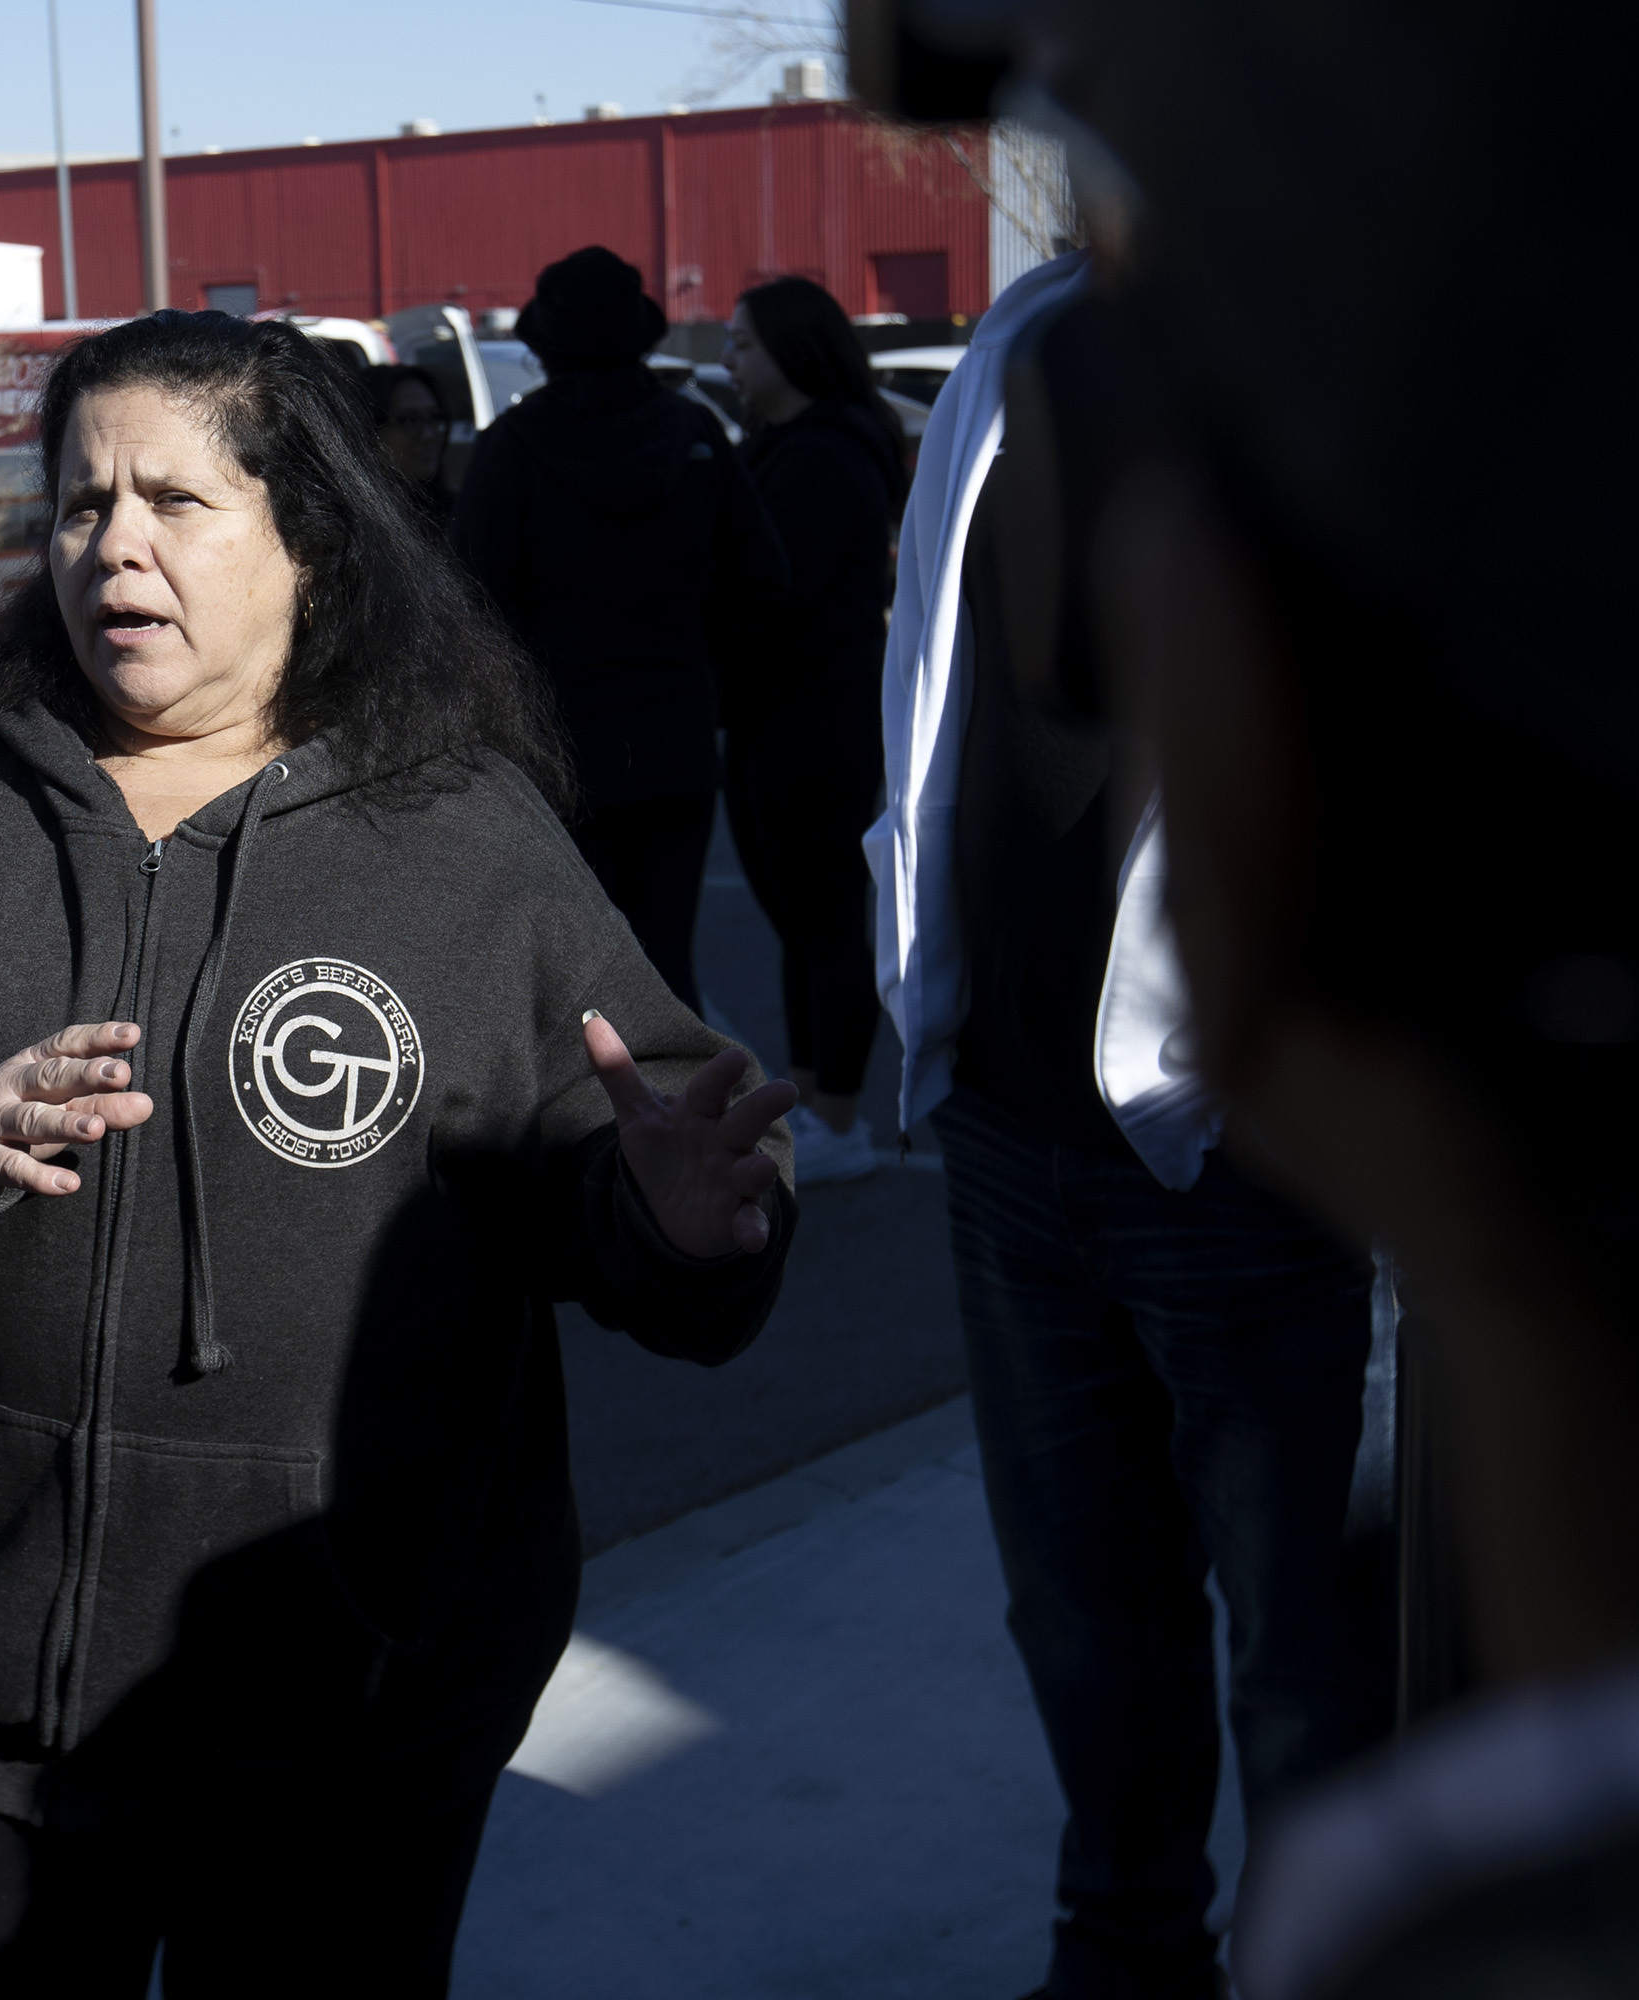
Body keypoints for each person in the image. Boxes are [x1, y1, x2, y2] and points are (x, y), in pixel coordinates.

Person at [0, 309, 800, 1997]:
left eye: (174, 501)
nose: (114, 543)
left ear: (309, 536)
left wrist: (684, 1223)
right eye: (79, 504)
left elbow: (628, 1150)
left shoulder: (463, 835)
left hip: (357, 1706)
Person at [868, 247, 1384, 2000]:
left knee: (1311, 1656)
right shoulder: (1030, 332)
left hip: (1263, 1158)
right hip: (1016, 1133)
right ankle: (1128, 1959)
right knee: (1087, 1619)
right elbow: (939, 701)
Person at [453, 246, 788, 1017]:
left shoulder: (515, 447)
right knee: (666, 953)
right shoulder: (695, 435)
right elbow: (762, 584)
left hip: (556, 743)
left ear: (544, 344)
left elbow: (470, 605)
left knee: (566, 966)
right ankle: (682, 1118)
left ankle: (585, 1133)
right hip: (675, 733)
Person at [720, 277, 904, 1184]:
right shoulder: (784, 450)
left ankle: (841, 1116)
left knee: (825, 919)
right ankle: (811, 1097)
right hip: (774, 715)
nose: (729, 360)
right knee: (800, 920)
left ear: (794, 350)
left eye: (744, 344)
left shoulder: (826, 457)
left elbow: (770, 592)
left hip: (815, 721)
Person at [358, 361, 455, 522]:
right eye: (410, 421)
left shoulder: (462, 518)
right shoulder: (346, 525)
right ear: (369, 432)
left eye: (434, 418)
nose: (428, 435)